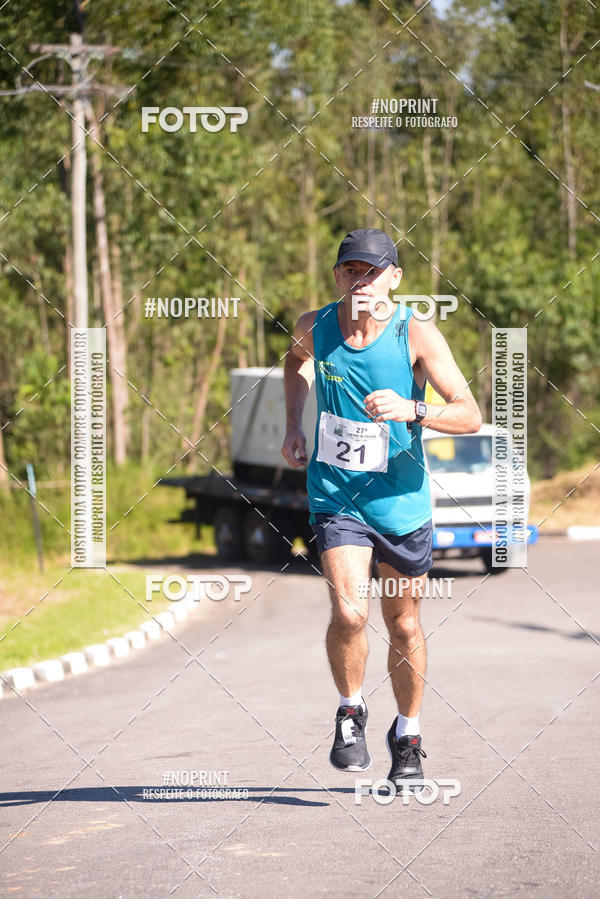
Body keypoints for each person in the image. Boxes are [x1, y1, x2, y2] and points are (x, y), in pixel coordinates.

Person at [281, 228, 482, 790]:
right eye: (351, 270)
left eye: (373, 271)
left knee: (404, 621)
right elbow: (294, 363)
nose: (361, 281)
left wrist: (412, 409)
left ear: (394, 277)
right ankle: (350, 711)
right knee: (349, 612)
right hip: (336, 494)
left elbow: (469, 414)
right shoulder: (314, 327)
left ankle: (408, 734)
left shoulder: (415, 333)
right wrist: (294, 424)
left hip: (402, 502)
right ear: (338, 276)